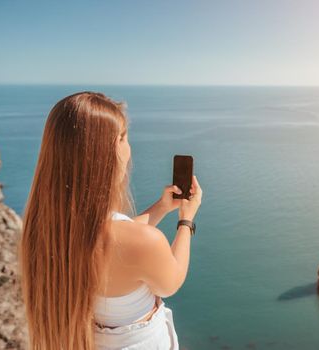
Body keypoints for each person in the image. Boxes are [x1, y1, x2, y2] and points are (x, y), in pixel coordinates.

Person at [19, 91, 202, 349]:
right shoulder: (142, 242)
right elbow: (171, 281)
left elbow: (113, 238)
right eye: (123, 137)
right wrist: (186, 220)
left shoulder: (47, 229)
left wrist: (160, 208)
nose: (129, 146)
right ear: (107, 152)